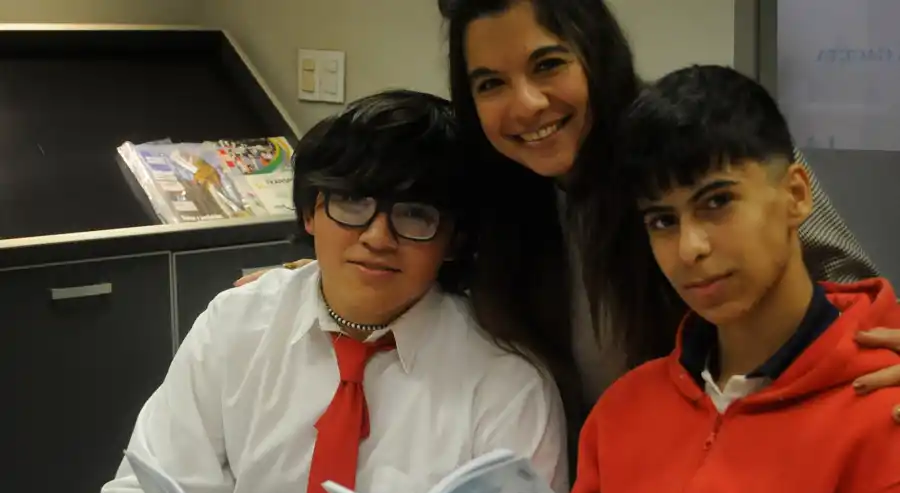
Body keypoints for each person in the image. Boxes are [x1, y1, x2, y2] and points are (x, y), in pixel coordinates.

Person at [237, 0, 900, 465]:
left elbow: (844, 285)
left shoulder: (680, 148)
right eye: (491, 84)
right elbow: (421, 258)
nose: (526, 105)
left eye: (548, 65)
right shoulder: (497, 191)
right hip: (582, 490)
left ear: (595, 56)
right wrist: (315, 278)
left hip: (738, 472)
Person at [97, 90, 567, 493]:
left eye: (415, 214)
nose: (378, 237)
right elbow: (143, 488)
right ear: (311, 211)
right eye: (353, 202)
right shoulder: (235, 325)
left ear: (453, 240)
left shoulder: (506, 380)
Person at [515, 65, 900, 493]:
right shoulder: (620, 415)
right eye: (662, 221)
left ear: (796, 195)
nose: (690, 248)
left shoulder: (884, 413)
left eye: (717, 202)